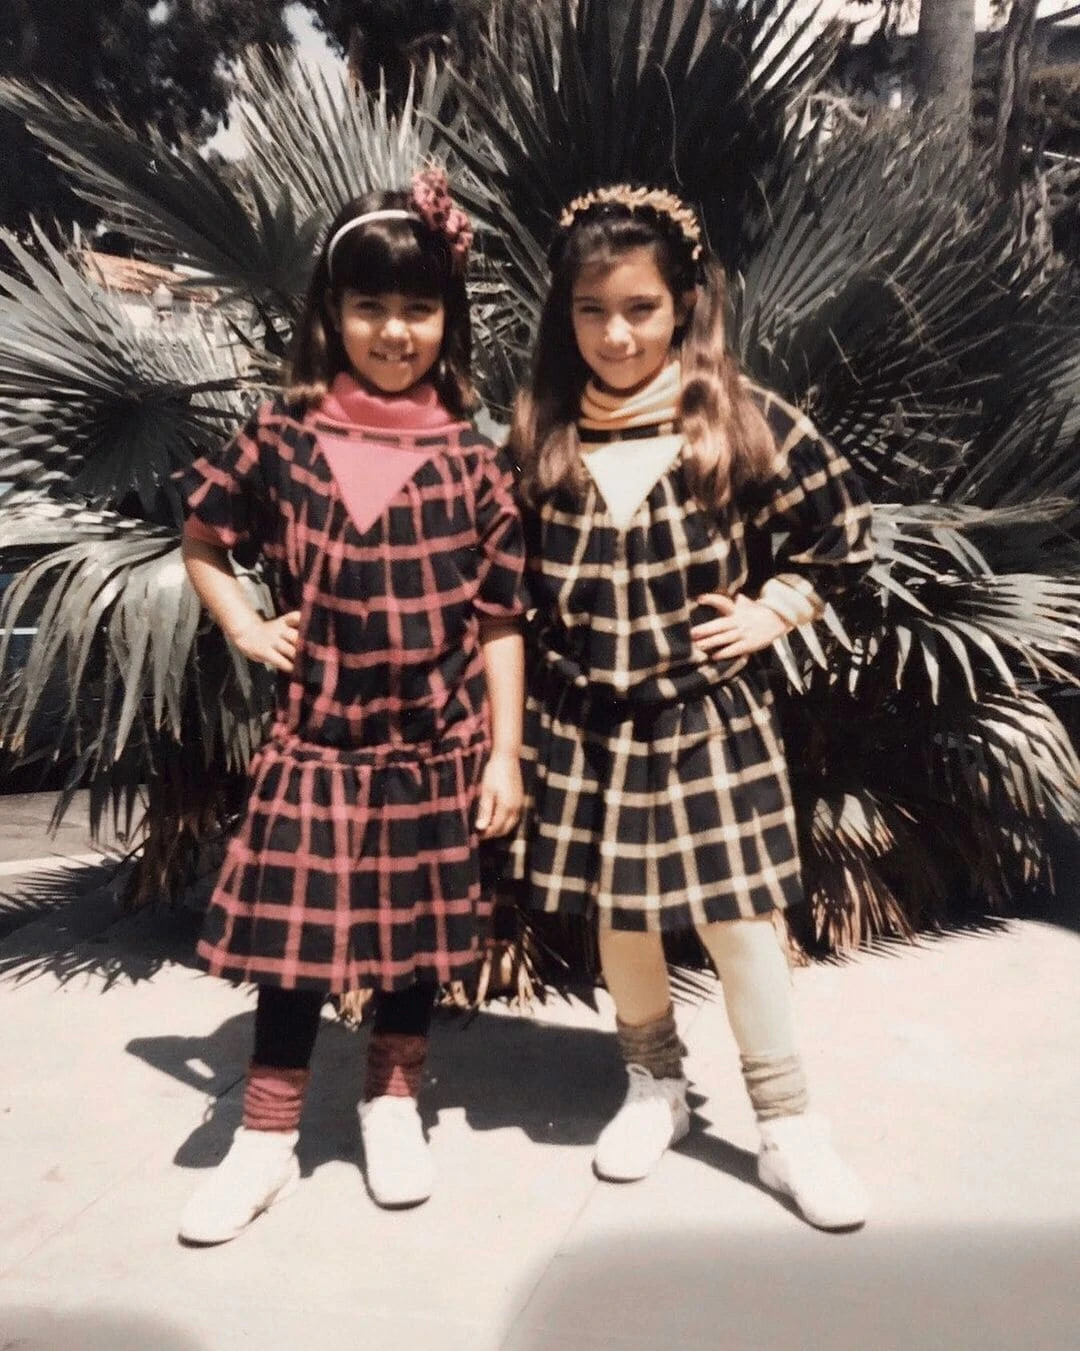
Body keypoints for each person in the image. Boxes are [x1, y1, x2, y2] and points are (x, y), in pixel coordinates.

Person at [508, 185, 874, 1231]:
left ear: (684, 306)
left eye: (641, 308)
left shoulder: (741, 421)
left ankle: (787, 1124)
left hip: (706, 714)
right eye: (591, 310)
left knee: (740, 920)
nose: (616, 334)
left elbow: (842, 536)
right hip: (588, 723)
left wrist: (774, 609)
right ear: (565, 314)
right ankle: (653, 1085)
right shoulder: (539, 434)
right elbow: (504, 588)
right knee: (619, 912)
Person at [177, 169, 526, 1242]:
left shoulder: (472, 462)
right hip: (318, 744)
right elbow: (203, 539)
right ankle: (265, 1138)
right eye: (370, 305)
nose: (394, 331)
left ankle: (392, 1103)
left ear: (447, 318)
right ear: (331, 311)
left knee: (416, 939)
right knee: (294, 950)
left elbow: (501, 620)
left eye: (419, 307)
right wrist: (246, 626)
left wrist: (504, 753)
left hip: (435, 746)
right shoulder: (280, 439)